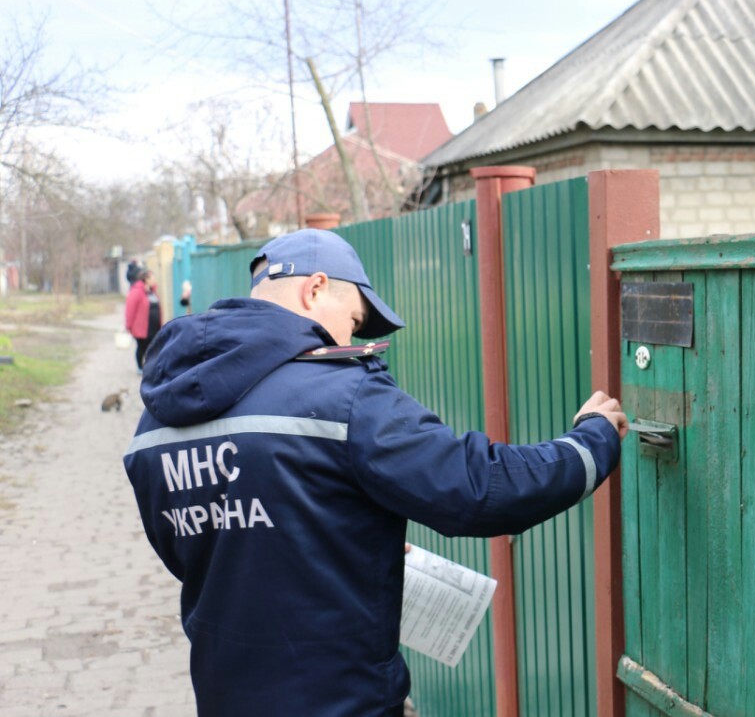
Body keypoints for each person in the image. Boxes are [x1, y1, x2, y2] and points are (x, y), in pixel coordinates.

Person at [121, 229, 628, 716]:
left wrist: (345, 539)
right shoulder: (343, 396)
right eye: (354, 319)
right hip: (339, 699)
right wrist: (592, 440)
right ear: (315, 288)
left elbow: (205, 551)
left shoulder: (154, 424)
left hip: (224, 695)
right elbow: (480, 487)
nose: (349, 335)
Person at [125, 269, 161, 372]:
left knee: (153, 348)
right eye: (152, 277)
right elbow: (130, 310)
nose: (154, 279)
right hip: (142, 327)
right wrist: (129, 326)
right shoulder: (136, 292)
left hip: (154, 327)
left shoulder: (153, 291)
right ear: (146, 279)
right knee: (142, 347)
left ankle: (151, 367)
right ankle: (140, 367)